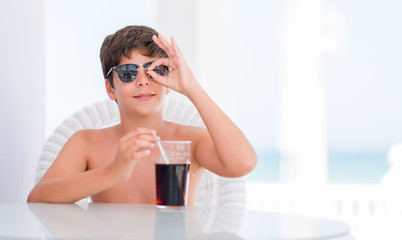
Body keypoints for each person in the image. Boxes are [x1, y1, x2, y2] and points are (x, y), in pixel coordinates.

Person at [27, 25, 257, 204]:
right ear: (110, 88)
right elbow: (38, 197)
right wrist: (114, 171)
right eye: (127, 73)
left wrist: (191, 87)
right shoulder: (86, 143)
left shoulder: (190, 142)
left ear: (167, 82)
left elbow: (243, 163)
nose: (143, 81)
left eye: (155, 70)